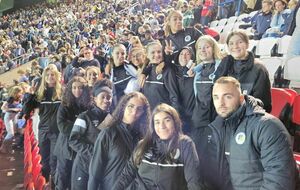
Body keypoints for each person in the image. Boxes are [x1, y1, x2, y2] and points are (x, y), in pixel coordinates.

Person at [205, 76, 297, 189]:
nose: (221, 103)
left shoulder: (267, 126)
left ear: (241, 98)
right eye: (216, 98)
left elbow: (280, 181)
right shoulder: (218, 128)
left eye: (227, 96)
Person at [112, 103, 204, 190]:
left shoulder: (185, 144)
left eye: (167, 120)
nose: (162, 126)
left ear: (175, 122)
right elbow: (126, 176)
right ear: (153, 126)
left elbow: (194, 182)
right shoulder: (143, 144)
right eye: (157, 122)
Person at [88, 92, 151, 190]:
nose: (134, 112)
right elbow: (95, 171)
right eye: (131, 106)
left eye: (139, 109)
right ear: (123, 107)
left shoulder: (143, 138)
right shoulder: (109, 133)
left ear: (143, 113)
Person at [69, 79, 113, 190]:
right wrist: (94, 152)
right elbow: (73, 140)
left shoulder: (114, 119)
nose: (106, 100)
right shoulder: (84, 117)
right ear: (94, 99)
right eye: (102, 97)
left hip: (103, 168)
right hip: (84, 166)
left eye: (109, 97)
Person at [215, 30, 272, 113]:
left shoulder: (259, 69)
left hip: (249, 119)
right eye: (231, 43)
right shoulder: (225, 65)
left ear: (247, 44)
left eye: (240, 42)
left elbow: (262, 104)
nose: (235, 46)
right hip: (226, 117)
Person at [54, 77, 91, 190]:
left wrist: (73, 124)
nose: (77, 90)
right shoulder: (64, 105)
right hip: (65, 148)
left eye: (80, 87)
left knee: (75, 179)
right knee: (62, 177)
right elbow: (62, 126)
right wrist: (80, 128)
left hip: (80, 149)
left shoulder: (88, 105)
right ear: (70, 89)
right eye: (74, 87)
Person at [142, 41, 181, 111]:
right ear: (147, 55)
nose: (156, 55)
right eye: (153, 52)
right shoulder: (146, 71)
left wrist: (174, 115)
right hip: (149, 115)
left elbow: (174, 97)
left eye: (159, 52)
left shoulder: (168, 70)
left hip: (163, 115)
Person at [0, 86, 23, 154]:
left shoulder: (20, 99)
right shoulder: (10, 98)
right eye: (20, 92)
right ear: (16, 92)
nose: (21, 94)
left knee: (14, 134)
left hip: (16, 116)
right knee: (11, 133)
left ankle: (9, 148)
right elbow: (3, 108)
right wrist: (13, 109)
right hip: (9, 116)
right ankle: (3, 148)